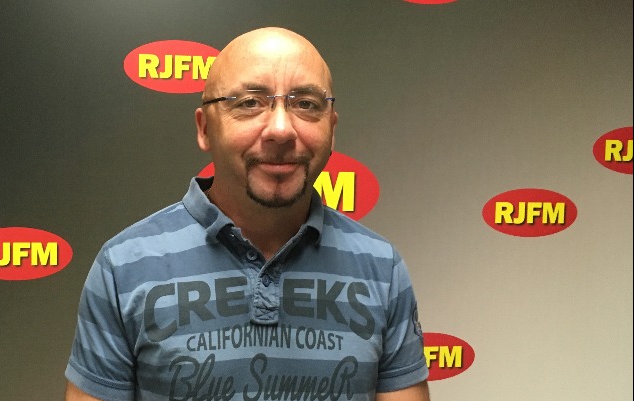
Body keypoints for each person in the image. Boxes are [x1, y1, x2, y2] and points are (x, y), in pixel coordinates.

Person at [65, 27, 430, 401]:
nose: (281, 130)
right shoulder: (123, 268)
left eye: (306, 104)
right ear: (205, 129)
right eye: (250, 103)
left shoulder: (382, 269)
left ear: (332, 129)